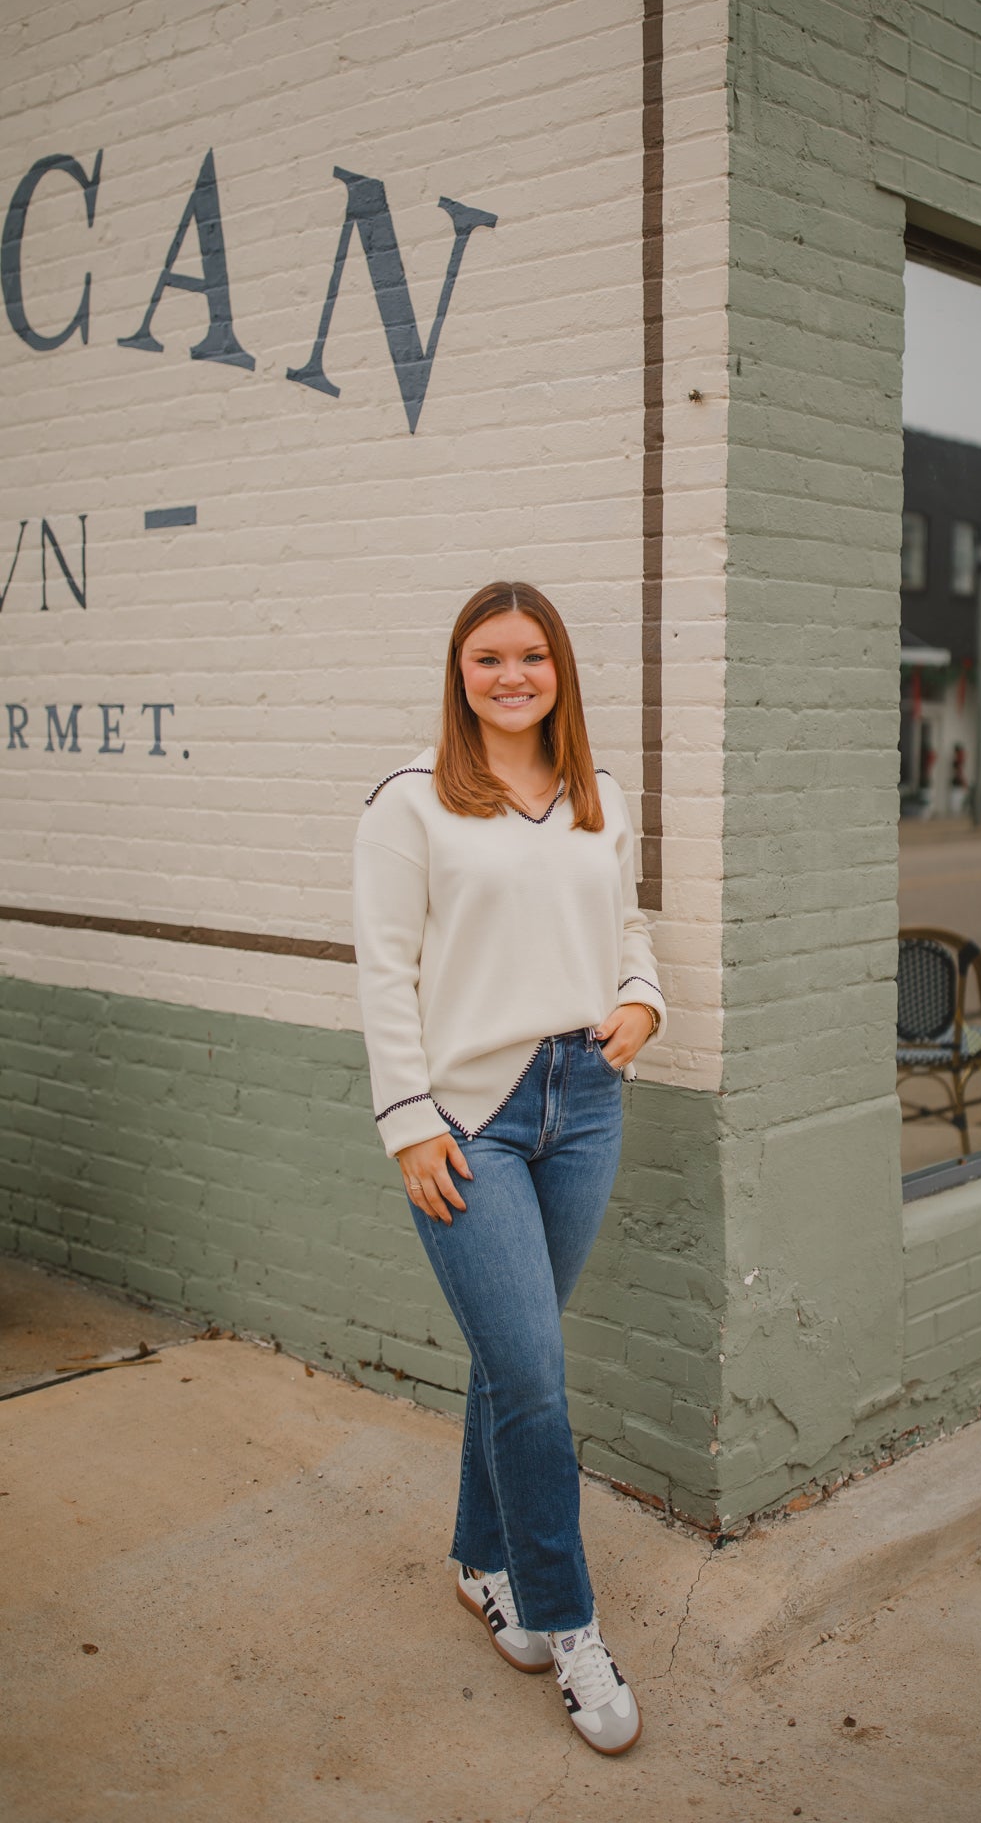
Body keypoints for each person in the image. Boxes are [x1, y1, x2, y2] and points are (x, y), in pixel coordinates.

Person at [352, 580, 664, 1757]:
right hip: (468, 1116)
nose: (512, 674)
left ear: (560, 671)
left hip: (582, 1102)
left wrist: (643, 999)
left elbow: (626, 931)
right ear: (460, 670)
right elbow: (384, 971)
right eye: (490, 656)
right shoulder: (411, 802)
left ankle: (480, 1557)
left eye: (533, 655)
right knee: (535, 1375)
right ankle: (567, 1619)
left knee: (511, 1354)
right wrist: (408, 1120)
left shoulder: (599, 798)